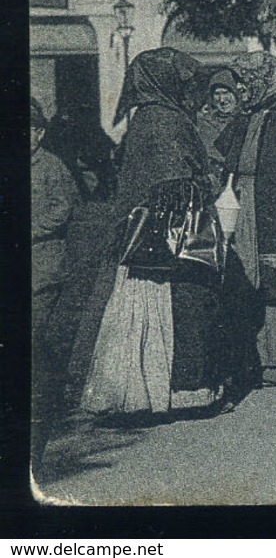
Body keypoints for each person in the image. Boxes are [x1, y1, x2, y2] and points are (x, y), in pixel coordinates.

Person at [83, 48, 227, 418]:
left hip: (141, 236)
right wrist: (208, 182)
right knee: (182, 308)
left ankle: (140, 393)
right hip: (168, 241)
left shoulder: (144, 118)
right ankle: (181, 390)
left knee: (135, 313)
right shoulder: (166, 120)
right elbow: (175, 186)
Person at [214, 52, 276, 391]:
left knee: (273, 274)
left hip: (273, 199)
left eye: (243, 81)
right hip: (249, 197)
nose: (239, 88)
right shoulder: (252, 113)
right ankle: (260, 358)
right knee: (249, 272)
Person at [32, 98, 81, 466]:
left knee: (38, 330)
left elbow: (63, 208)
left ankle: (49, 393)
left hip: (44, 261)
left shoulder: (51, 166)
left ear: (39, 132)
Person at [196, 69, 241, 161]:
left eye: (226, 92)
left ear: (236, 94)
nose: (222, 100)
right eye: (217, 94)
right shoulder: (206, 122)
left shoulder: (247, 119)